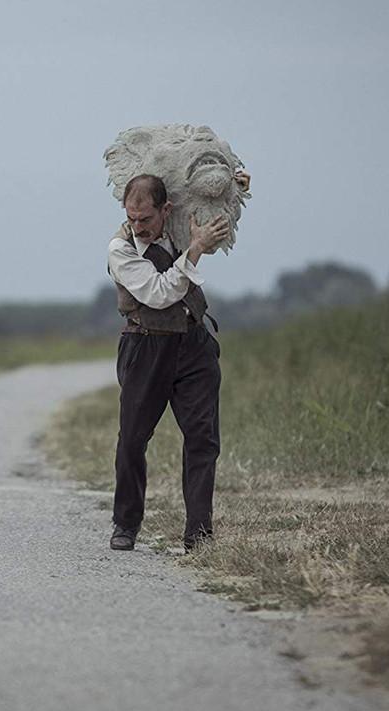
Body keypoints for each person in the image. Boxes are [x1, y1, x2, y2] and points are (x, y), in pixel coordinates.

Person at [105, 171, 249, 552]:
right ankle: (126, 524)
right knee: (132, 440)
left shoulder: (181, 225)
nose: (138, 227)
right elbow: (158, 293)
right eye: (131, 218)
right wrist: (195, 250)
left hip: (193, 345)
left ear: (166, 209)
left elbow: (216, 212)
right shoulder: (121, 249)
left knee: (203, 439)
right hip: (145, 347)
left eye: (146, 219)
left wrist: (231, 186)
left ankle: (198, 534)